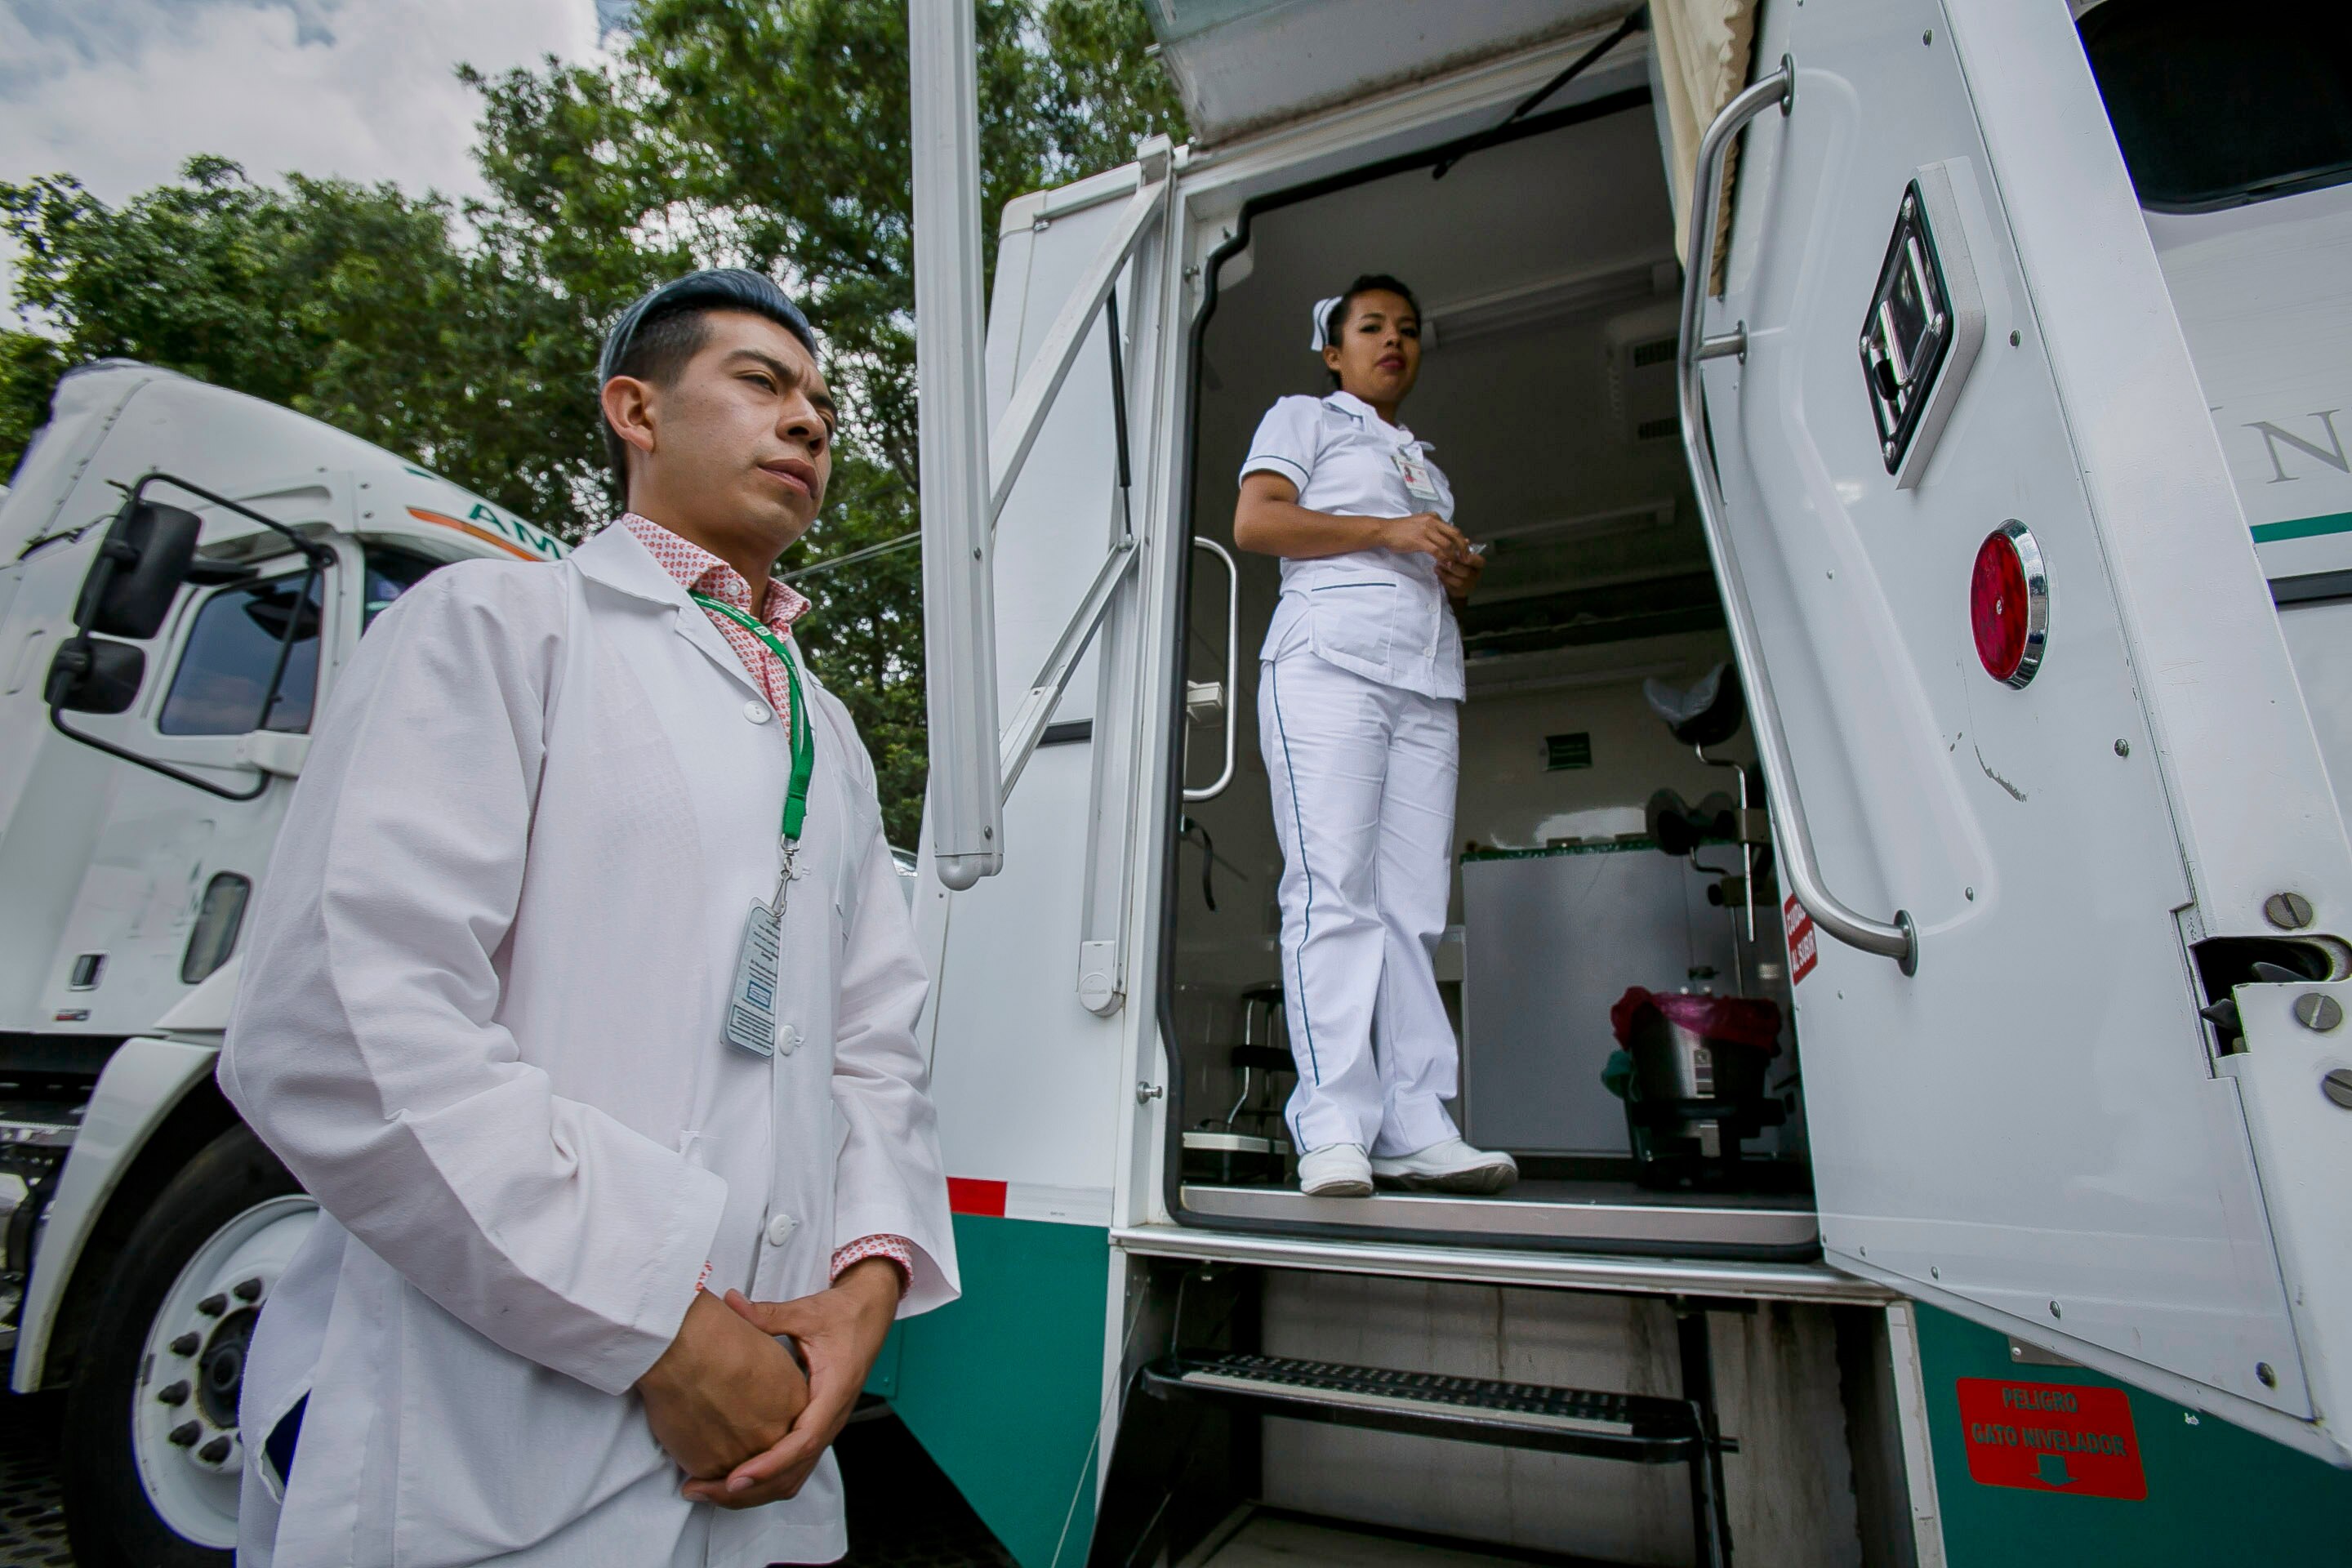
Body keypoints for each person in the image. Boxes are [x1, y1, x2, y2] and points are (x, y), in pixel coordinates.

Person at [220, 269, 956, 1567]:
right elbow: (343, 1024)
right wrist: (664, 1327)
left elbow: (873, 1048)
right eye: (762, 384)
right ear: (635, 409)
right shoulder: (496, 625)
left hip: (767, 1446)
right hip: (493, 1433)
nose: (809, 423)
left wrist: (864, 1288)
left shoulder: (826, 732)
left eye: (823, 407)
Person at [1232, 274, 1518, 1199]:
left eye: (1407, 330)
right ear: (1334, 348)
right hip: (1331, 668)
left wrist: (1451, 569)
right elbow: (1258, 521)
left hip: (1424, 685)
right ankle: (1333, 1127)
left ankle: (1415, 1121)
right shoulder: (1303, 419)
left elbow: (1414, 557)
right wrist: (1390, 533)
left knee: (1412, 909)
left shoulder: (1424, 465)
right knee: (1335, 893)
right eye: (1370, 327)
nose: (1392, 341)